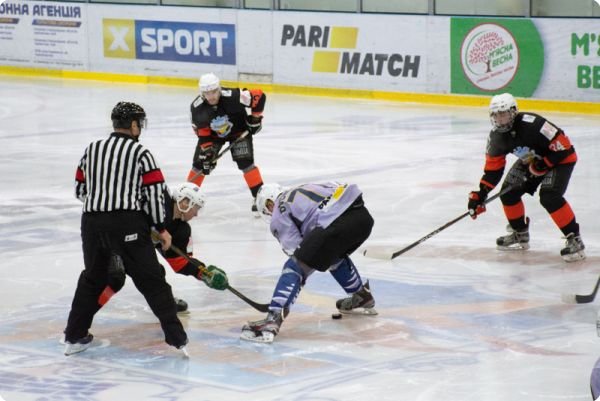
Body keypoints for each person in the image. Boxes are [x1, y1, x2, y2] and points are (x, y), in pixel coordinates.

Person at [64, 101, 188, 356]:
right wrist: (160, 227)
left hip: (91, 223)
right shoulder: (141, 153)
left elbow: (80, 190)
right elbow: (154, 195)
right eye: (139, 123)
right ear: (132, 125)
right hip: (127, 223)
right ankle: (177, 340)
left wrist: (102, 204)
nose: (139, 127)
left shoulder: (92, 149)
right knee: (153, 281)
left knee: (92, 280)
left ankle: (74, 337)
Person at [240, 182, 376, 343]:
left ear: (270, 203)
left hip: (335, 224)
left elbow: (297, 251)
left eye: (267, 210)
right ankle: (361, 296)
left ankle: (273, 319)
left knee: (294, 267)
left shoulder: (278, 210)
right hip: (361, 217)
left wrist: (296, 276)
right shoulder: (304, 187)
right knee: (330, 254)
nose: (270, 212)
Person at [467, 93, 585, 262]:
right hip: (531, 160)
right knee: (508, 193)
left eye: (503, 114)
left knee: (549, 196)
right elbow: (493, 170)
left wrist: (544, 164)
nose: (499, 119)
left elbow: (564, 147)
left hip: (560, 159)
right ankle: (520, 233)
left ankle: (575, 239)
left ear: (513, 112)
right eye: (495, 115)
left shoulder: (533, 124)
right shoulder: (496, 137)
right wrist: (481, 193)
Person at [187, 72, 266, 214]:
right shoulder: (197, 107)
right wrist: (207, 151)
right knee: (200, 164)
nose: (211, 96)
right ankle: (187, 197)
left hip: (239, 132)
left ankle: (259, 197)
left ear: (219, 89)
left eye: (213, 92)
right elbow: (203, 133)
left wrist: (255, 118)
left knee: (246, 163)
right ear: (202, 93)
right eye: (207, 93)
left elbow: (259, 96)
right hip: (213, 137)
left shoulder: (234, 96)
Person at [156, 182, 229, 314]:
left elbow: (180, 262)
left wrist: (204, 273)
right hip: (122, 235)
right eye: (196, 208)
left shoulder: (182, 231)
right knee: (117, 274)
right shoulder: (159, 201)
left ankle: (162, 300)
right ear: (185, 202)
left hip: (140, 246)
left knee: (155, 272)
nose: (196, 214)